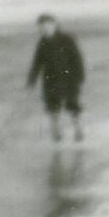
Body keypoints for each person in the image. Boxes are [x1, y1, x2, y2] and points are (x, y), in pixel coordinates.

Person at [26, 14, 85, 142]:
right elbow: (37, 63)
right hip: (50, 80)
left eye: (47, 25)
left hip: (69, 78)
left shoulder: (67, 39)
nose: (44, 29)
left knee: (72, 105)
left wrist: (80, 77)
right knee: (52, 106)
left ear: (54, 24)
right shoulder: (42, 42)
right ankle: (56, 132)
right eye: (41, 27)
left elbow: (77, 59)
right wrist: (31, 80)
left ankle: (78, 130)